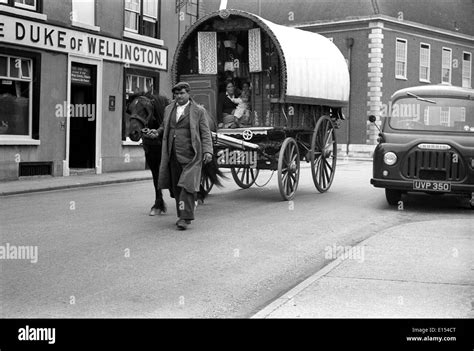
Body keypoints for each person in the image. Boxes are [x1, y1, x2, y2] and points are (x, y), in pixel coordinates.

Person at [157, 82, 213, 230]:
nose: (179, 96)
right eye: (176, 94)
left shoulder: (198, 111)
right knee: (176, 187)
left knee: (187, 186)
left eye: (182, 93)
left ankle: (185, 218)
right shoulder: (169, 109)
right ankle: (181, 214)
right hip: (173, 154)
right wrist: (156, 132)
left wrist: (208, 151)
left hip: (191, 155)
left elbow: (205, 133)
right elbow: (164, 127)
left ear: (188, 93)